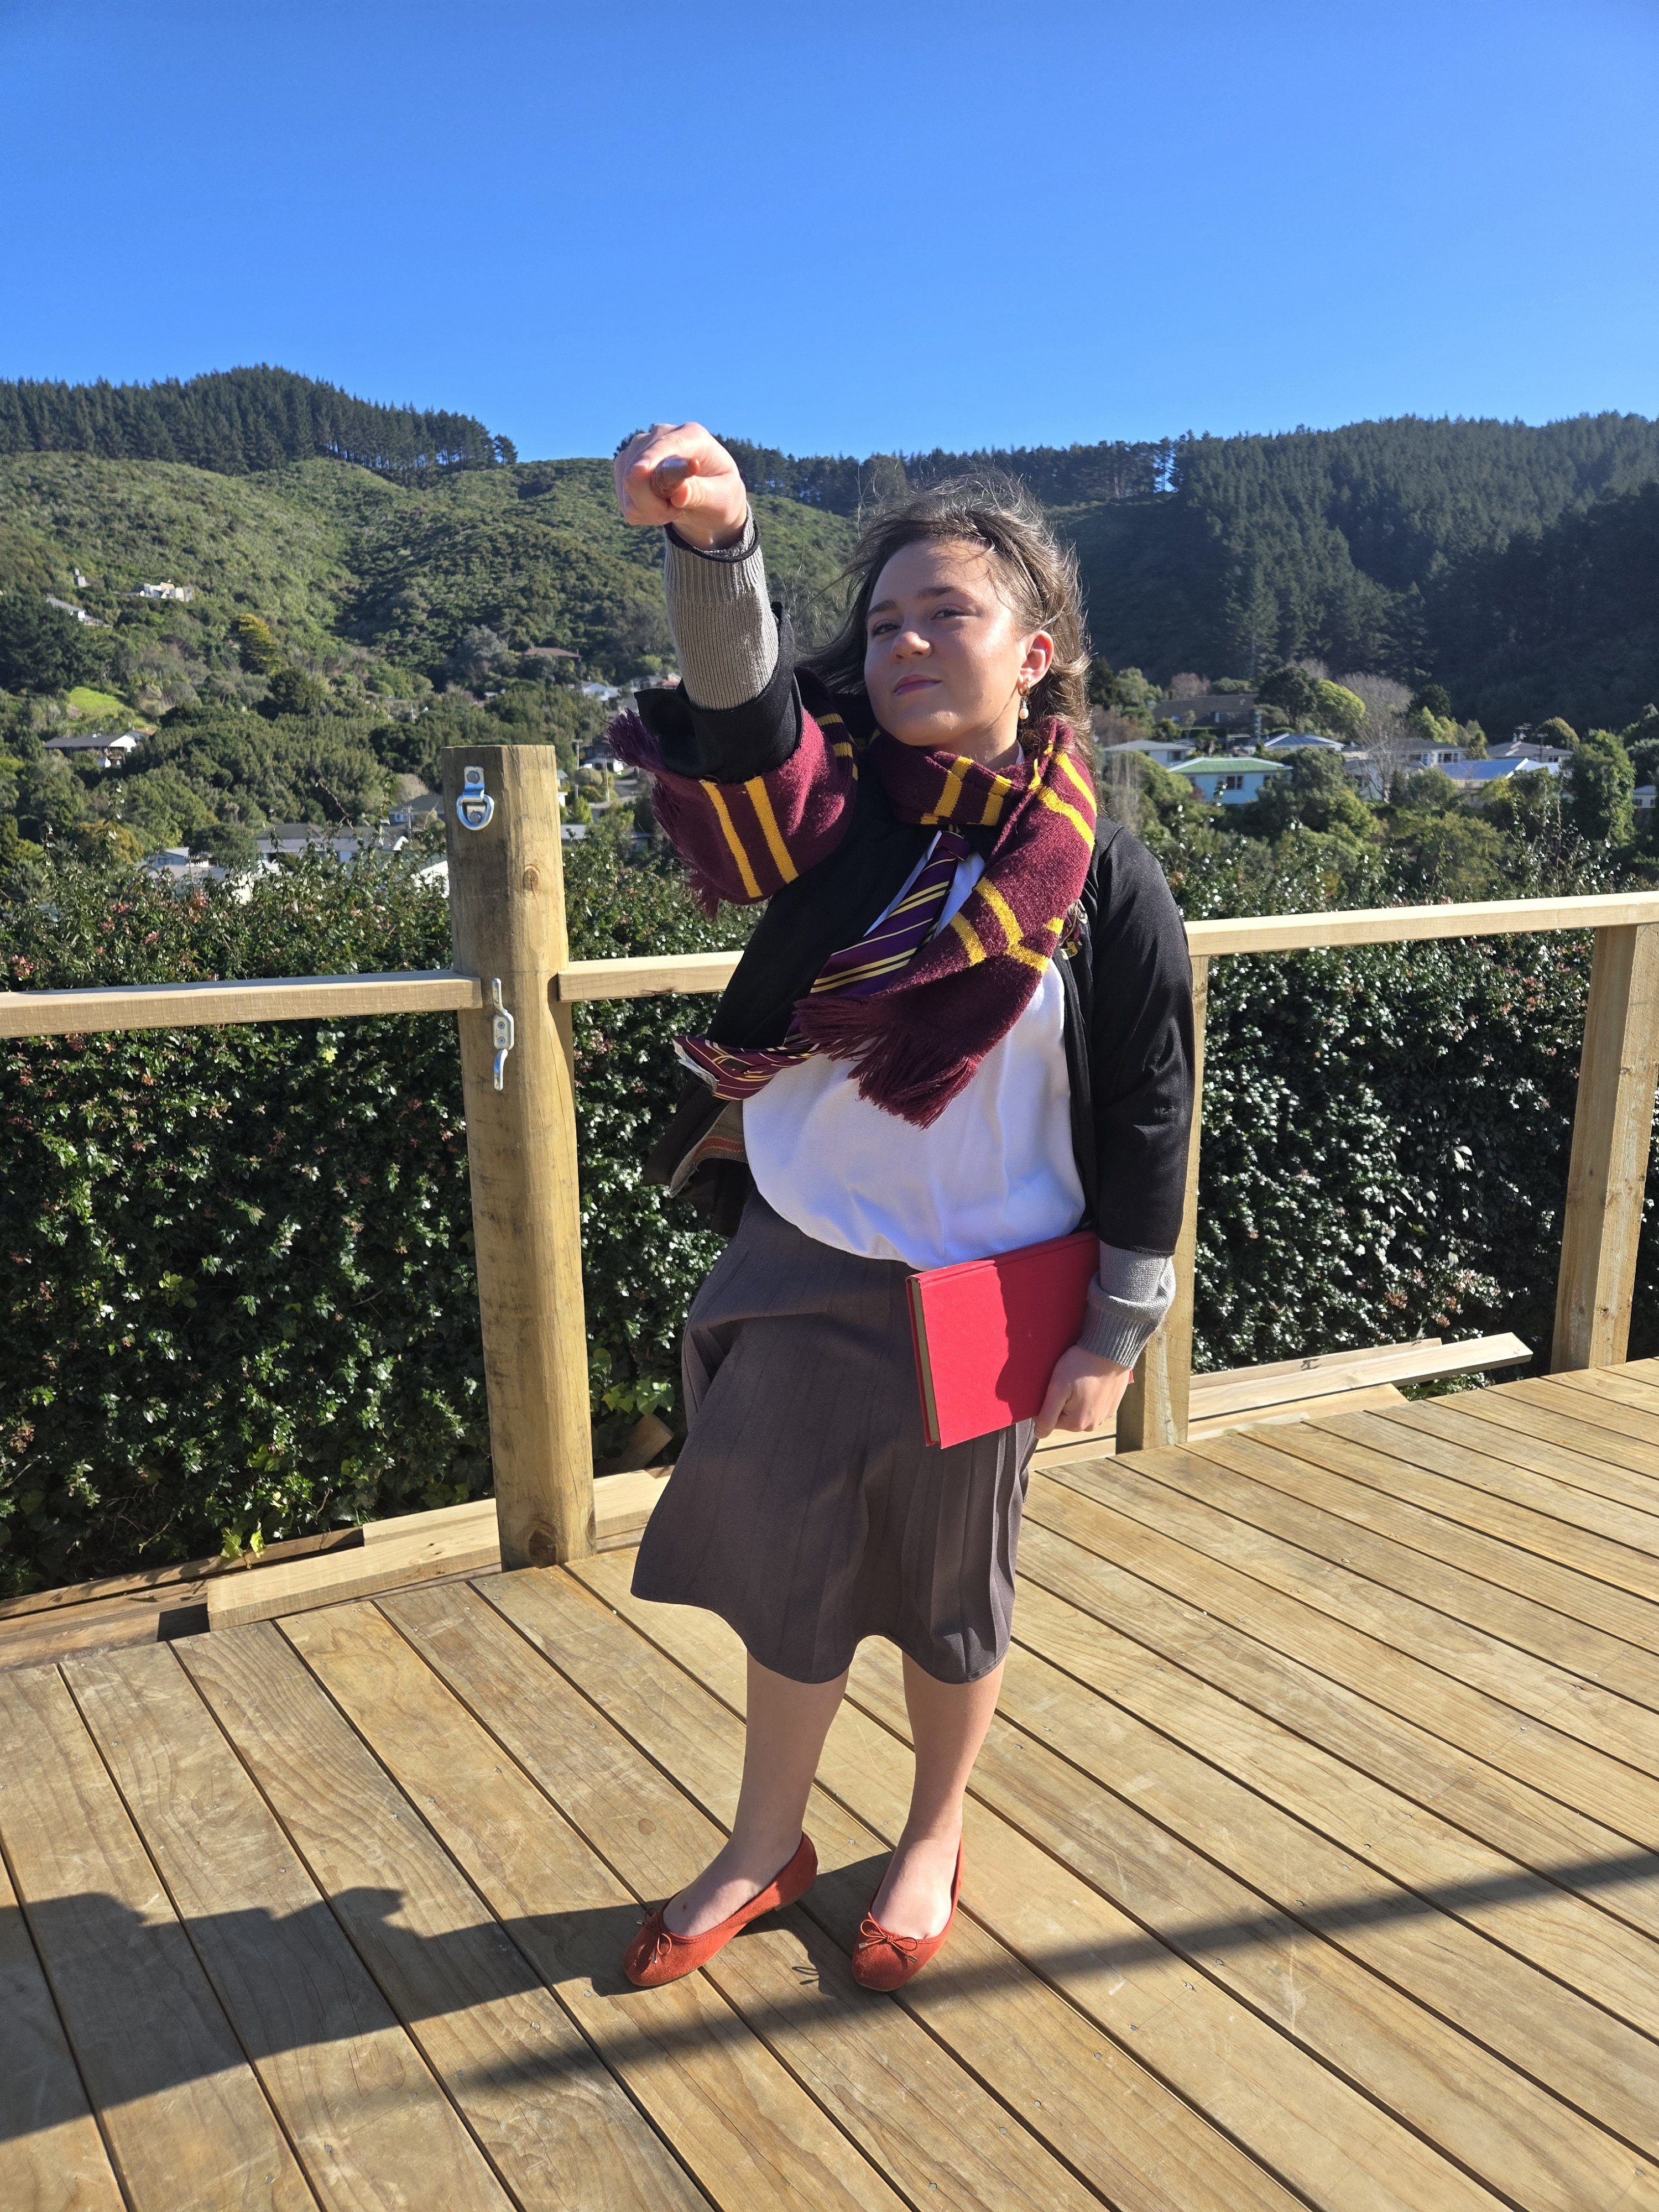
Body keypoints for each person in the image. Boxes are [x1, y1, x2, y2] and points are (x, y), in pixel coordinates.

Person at [608, 423, 1193, 1994]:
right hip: (801, 1263)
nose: (910, 644)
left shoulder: (1102, 880)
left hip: (983, 1306)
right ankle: (765, 1842)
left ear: (1034, 656)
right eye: (883, 625)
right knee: (788, 1576)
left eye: (950, 614)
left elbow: (1147, 1105)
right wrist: (717, 549)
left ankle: (933, 1834)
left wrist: (1116, 1329)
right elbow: (745, 719)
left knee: (950, 1598)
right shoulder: (833, 819)